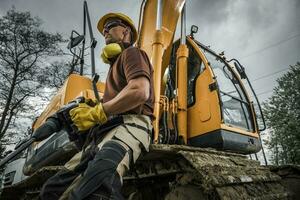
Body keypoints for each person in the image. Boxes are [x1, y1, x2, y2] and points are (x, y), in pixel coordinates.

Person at [39, 13, 154, 200]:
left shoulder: (132, 53)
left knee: (98, 186)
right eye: (103, 29)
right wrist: (94, 105)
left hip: (130, 125)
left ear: (125, 31)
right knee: (52, 191)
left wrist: (98, 111)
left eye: (111, 25)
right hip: (104, 131)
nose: (105, 30)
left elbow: (140, 91)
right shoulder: (114, 66)